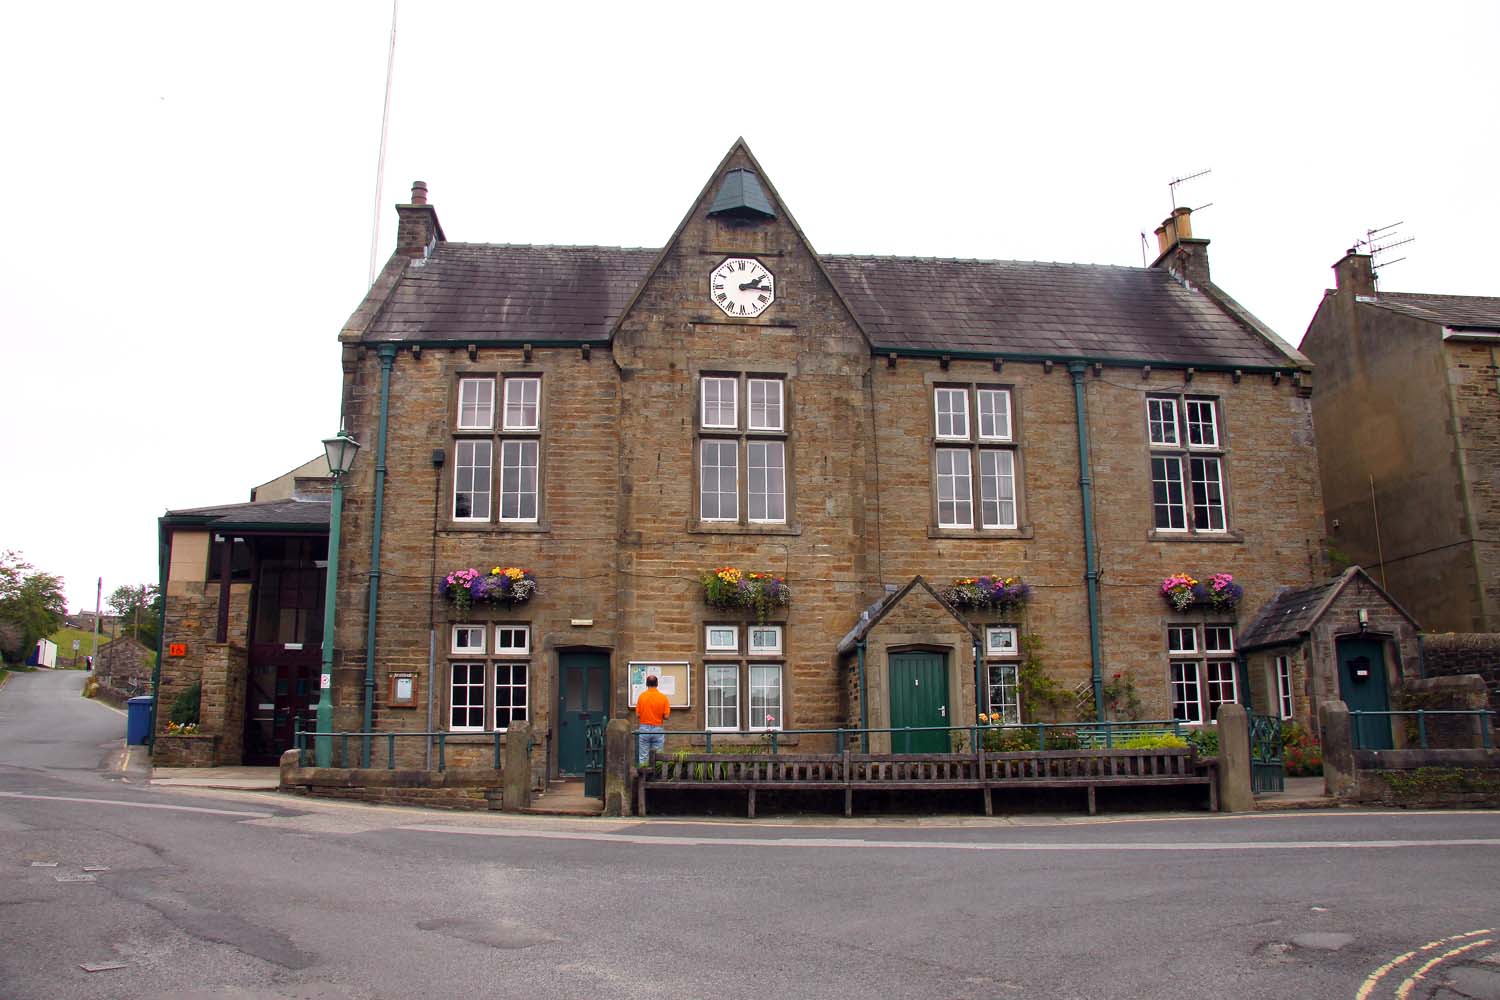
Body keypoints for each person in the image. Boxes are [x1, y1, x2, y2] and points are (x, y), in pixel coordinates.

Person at [635, 673, 670, 765]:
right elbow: (666, 716)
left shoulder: (641, 697)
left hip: (644, 728)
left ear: (646, 684)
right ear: (657, 684)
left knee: (643, 756)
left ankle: (644, 777)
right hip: (658, 728)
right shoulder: (663, 698)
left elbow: (637, 715)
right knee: (658, 755)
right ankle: (657, 776)